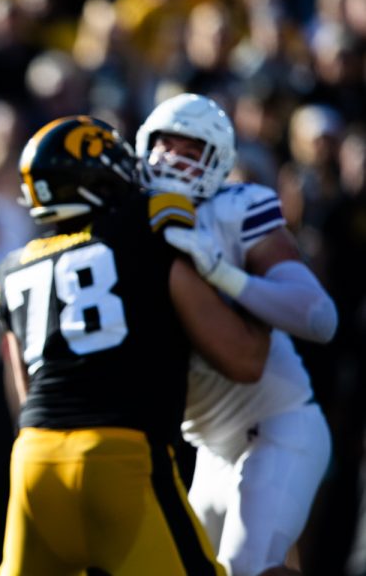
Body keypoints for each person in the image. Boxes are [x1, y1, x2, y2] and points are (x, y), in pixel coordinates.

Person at [0, 115, 271, 575]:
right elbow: (245, 360)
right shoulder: (148, 232)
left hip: (33, 461)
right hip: (119, 458)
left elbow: (22, 391)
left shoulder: (11, 268)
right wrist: (258, 289)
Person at [135, 93, 337, 576]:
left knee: (247, 569)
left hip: (277, 423)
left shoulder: (235, 210)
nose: (171, 160)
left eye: (189, 150)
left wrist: (222, 273)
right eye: (164, 146)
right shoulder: (130, 222)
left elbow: (318, 318)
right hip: (210, 446)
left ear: (217, 161)